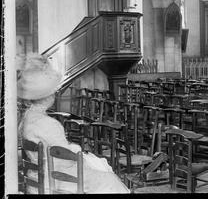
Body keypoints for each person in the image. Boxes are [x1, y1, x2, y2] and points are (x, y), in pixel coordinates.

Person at [17, 53, 129, 194]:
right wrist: (77, 150)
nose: (54, 95)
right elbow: (66, 157)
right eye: (52, 92)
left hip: (36, 178)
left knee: (98, 166)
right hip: (56, 179)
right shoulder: (48, 123)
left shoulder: (26, 119)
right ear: (45, 97)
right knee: (109, 179)